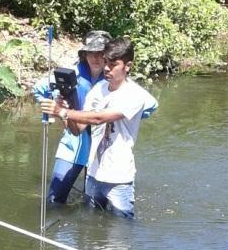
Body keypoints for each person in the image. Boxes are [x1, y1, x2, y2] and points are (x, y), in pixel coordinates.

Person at [40, 37, 157, 219]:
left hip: (118, 178)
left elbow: (98, 118)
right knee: (92, 223)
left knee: (122, 226)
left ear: (127, 66)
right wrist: (68, 106)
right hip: (94, 174)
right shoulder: (99, 89)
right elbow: (77, 129)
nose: (107, 68)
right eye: (106, 63)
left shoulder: (135, 95)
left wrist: (62, 112)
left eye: (113, 64)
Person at [33, 31, 110, 203]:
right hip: (73, 142)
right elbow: (38, 89)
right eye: (91, 53)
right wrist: (56, 103)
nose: (95, 58)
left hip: (101, 144)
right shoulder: (71, 73)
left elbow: (147, 106)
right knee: (54, 199)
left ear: (108, 55)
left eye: (100, 53)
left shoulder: (113, 78)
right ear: (84, 54)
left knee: (96, 204)